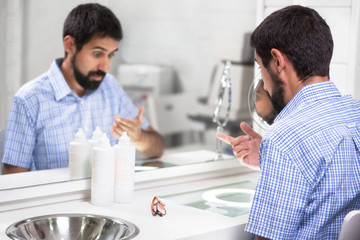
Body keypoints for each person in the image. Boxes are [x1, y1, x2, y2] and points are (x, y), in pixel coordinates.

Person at [220, 5, 360, 239]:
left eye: (260, 66)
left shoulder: (284, 139)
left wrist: (277, 150)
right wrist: (267, 156)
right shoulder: (355, 114)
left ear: (277, 60)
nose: (263, 83)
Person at [2, 3, 165, 174]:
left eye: (111, 55)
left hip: (107, 197)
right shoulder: (29, 99)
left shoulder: (109, 86)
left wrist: (139, 138)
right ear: (69, 45)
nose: (105, 67)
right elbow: (13, 182)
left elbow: (157, 148)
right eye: (97, 53)